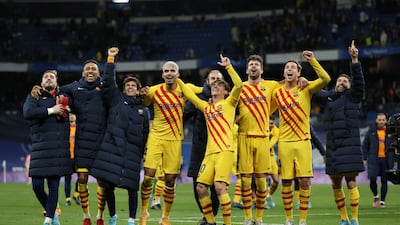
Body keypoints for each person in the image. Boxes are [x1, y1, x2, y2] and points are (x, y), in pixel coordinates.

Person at [177, 54, 243, 225]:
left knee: (220, 188)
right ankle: (211, 221)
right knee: (200, 187)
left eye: (219, 84)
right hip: (209, 154)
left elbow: (239, 85)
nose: (215, 86)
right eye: (213, 84)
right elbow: (190, 96)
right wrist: (178, 80)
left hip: (224, 152)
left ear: (226, 91)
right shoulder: (206, 107)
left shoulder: (229, 104)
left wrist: (228, 67)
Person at [90, 47, 150, 225]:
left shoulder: (144, 110)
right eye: (127, 85)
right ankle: (113, 215)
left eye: (133, 85)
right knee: (107, 185)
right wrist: (110, 59)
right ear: (123, 89)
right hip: (113, 149)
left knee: (132, 188)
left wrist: (143, 151)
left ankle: (131, 219)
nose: (130, 87)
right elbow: (109, 81)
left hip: (132, 152)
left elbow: (146, 132)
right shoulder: (117, 99)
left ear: (139, 90)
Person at [138, 60, 201, 225]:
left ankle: (165, 217)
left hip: (174, 139)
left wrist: (216, 80)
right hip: (156, 137)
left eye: (172, 70)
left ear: (178, 74)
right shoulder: (154, 90)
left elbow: (205, 91)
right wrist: (142, 94)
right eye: (166, 71)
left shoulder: (186, 89)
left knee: (170, 180)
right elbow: (144, 102)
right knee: (148, 176)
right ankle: (144, 213)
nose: (169, 73)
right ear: (162, 74)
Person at [272, 50, 331, 225]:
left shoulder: (306, 87)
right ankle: (289, 219)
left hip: (303, 141)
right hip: (284, 143)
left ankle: (303, 220)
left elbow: (326, 79)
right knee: (287, 181)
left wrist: (312, 60)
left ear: (299, 73)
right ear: (284, 73)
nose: (289, 69)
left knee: (304, 181)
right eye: (287, 67)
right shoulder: (276, 92)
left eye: (293, 67)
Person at [314, 40, 364, 225]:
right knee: (335, 184)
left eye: (345, 81)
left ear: (349, 86)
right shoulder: (327, 98)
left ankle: (355, 219)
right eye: (340, 80)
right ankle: (343, 218)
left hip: (349, 146)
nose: (342, 82)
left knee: (351, 182)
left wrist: (354, 59)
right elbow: (315, 90)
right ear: (335, 85)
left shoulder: (353, 97)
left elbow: (358, 82)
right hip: (333, 147)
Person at [23, 70, 73, 225]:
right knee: (37, 186)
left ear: (57, 81)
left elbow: (81, 104)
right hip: (40, 148)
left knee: (53, 187)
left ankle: (48, 219)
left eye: (52, 77)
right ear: (42, 82)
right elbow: (28, 112)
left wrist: (71, 111)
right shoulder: (35, 96)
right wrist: (52, 110)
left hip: (58, 149)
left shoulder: (65, 96)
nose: (49, 78)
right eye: (46, 77)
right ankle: (52, 213)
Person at [183, 70, 224, 224]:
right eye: (212, 78)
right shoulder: (199, 99)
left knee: (216, 186)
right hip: (199, 148)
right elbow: (183, 115)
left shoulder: (226, 99)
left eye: (218, 78)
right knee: (197, 184)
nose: (214, 81)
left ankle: (210, 217)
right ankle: (207, 215)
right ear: (207, 81)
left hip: (218, 149)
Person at [362, 113, 395, 209]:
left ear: (386, 121)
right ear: (376, 120)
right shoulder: (371, 131)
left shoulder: (390, 132)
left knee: (385, 180)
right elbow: (365, 146)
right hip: (373, 160)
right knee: (372, 179)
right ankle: (376, 196)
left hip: (386, 160)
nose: (381, 122)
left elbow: (395, 147)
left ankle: (382, 201)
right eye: (379, 120)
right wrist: (364, 158)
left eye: (383, 120)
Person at [294, 125, 326, 209]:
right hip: (293, 154)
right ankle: (299, 201)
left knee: (306, 178)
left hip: (306, 154)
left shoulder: (306, 124)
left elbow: (315, 139)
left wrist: (323, 153)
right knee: (296, 178)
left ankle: (306, 200)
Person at [65, 113, 80, 206]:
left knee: (81, 177)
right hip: (68, 158)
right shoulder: (65, 130)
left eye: (73, 114)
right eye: (70, 114)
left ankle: (76, 194)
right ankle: (68, 199)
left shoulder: (78, 129)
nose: (71, 116)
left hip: (77, 157)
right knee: (68, 179)